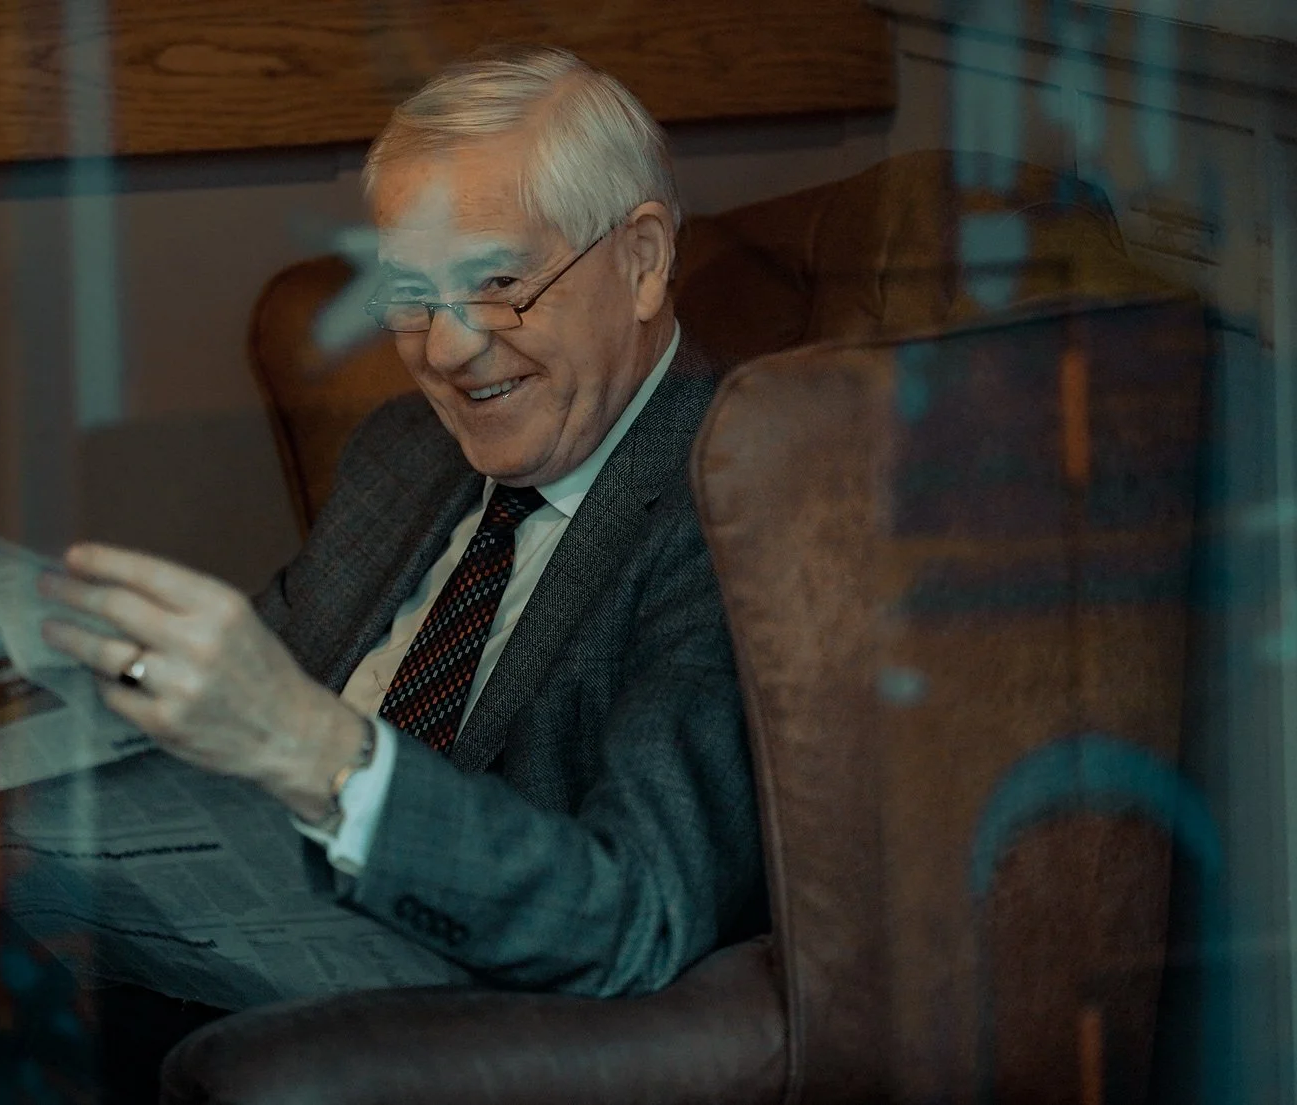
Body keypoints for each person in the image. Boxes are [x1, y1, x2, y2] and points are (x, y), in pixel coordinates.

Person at [38, 44, 765, 1007]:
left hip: (450, 1013)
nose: (450, 351)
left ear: (641, 261)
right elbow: (253, 676)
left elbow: (637, 918)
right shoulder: (406, 449)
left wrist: (316, 749)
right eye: (413, 297)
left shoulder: (736, 504)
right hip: (248, 906)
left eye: (500, 283)